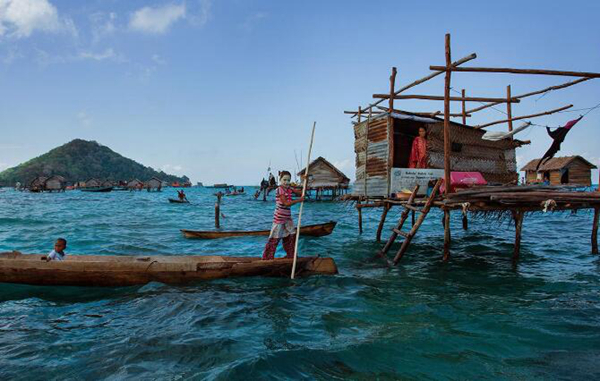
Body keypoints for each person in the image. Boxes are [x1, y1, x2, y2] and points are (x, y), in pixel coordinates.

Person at [262, 171, 304, 260]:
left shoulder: (289, 189)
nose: (286, 182)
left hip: (287, 218)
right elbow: (286, 203)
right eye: (284, 180)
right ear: (280, 180)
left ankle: (291, 256)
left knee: (291, 236)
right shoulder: (279, 189)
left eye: (288, 180)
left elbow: (301, 193)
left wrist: (306, 180)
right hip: (279, 219)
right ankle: (267, 258)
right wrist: (299, 200)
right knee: (275, 239)